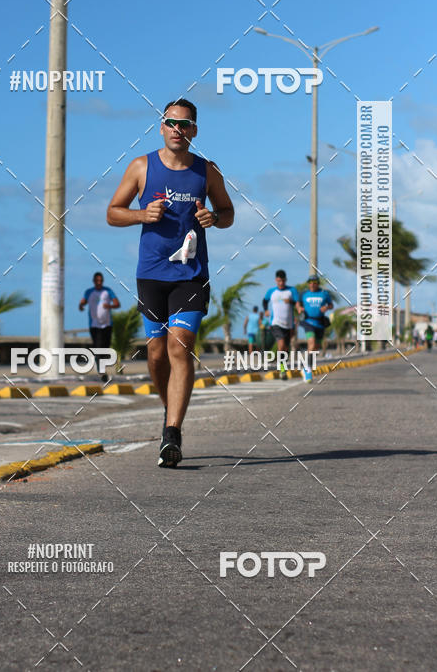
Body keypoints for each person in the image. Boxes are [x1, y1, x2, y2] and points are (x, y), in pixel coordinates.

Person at [107, 98, 234, 467]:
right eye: (171, 122)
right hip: (151, 274)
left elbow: (227, 213)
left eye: (185, 124)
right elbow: (112, 212)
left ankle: (172, 433)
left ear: (194, 130)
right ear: (161, 127)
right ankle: (170, 411)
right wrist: (140, 214)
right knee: (157, 353)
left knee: (181, 347)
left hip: (191, 274)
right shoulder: (141, 166)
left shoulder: (206, 172)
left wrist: (214, 218)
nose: (178, 129)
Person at [78, 272, 120, 379]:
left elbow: (117, 304)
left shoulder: (108, 291)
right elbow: (83, 302)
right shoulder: (89, 292)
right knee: (98, 347)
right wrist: (81, 305)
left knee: (105, 348)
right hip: (94, 325)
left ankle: (100, 364)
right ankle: (102, 371)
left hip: (107, 325)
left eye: (101, 281)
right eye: (97, 281)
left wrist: (109, 306)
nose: (99, 283)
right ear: (94, 281)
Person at [262, 270, 299, 380]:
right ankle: (282, 370)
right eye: (279, 281)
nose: (281, 283)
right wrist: (266, 310)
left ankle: (282, 365)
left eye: (282, 281)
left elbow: (297, 303)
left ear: (285, 280)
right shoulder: (271, 291)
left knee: (285, 348)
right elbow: (264, 301)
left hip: (289, 324)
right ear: (276, 280)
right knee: (281, 345)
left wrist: (292, 303)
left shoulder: (292, 291)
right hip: (275, 323)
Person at [297, 275, 333, 361]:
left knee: (316, 347)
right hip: (308, 322)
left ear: (318, 284)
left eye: (315, 283)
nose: (312, 285)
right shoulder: (304, 294)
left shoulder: (324, 294)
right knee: (311, 343)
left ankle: (310, 362)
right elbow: (298, 303)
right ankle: (307, 366)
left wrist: (327, 307)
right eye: (310, 283)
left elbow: (331, 305)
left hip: (320, 323)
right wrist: (299, 308)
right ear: (308, 284)